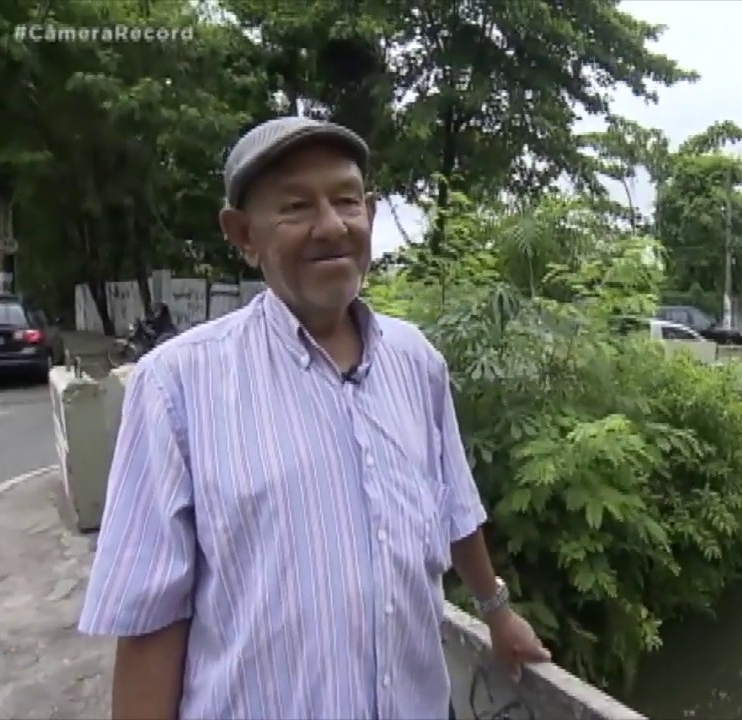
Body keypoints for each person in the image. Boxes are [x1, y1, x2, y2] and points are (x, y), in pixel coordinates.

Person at [78, 116, 550, 720]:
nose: (331, 226)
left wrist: (497, 613)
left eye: (346, 200)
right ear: (243, 233)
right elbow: (150, 620)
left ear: (370, 214)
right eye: (296, 207)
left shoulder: (416, 362)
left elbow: (454, 506)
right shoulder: (177, 386)